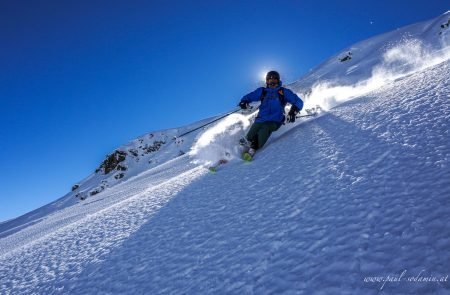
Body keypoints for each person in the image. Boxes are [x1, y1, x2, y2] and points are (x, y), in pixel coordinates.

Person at [238, 70, 304, 157]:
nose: (272, 82)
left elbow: (298, 101)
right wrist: (244, 101)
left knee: (264, 129)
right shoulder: (263, 91)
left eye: (274, 80)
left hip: (275, 120)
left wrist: (293, 111)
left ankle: (253, 148)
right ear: (267, 81)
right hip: (261, 119)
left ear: (278, 80)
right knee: (252, 132)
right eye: (270, 80)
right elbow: (251, 96)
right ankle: (237, 150)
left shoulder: (283, 92)